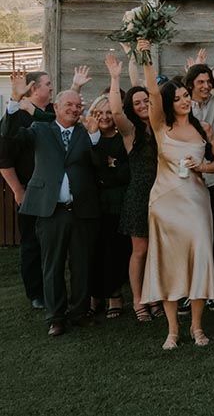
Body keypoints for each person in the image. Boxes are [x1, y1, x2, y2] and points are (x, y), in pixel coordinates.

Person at [138, 41, 214, 350]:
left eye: (186, 96)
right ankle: (173, 330)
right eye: (177, 99)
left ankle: (197, 327)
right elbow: (151, 92)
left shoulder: (204, 128)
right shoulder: (161, 127)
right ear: (169, 104)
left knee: (200, 258)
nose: (184, 101)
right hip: (166, 203)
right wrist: (145, 55)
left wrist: (203, 166)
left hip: (197, 202)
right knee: (169, 263)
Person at [3, 85, 100, 338]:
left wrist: (95, 138)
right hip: (51, 211)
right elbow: (9, 137)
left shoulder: (87, 132)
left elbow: (99, 166)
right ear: (55, 108)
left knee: (81, 264)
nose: (74, 109)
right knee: (52, 265)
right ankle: (56, 317)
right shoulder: (40, 129)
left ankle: (79, 313)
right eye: (69, 104)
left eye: (78, 105)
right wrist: (14, 102)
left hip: (81, 210)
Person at [105, 54, 160, 322]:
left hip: (163, 193)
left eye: (145, 101)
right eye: (136, 103)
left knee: (158, 250)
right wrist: (115, 78)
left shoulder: (162, 126)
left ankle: (155, 296)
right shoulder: (130, 132)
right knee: (140, 250)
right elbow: (116, 112)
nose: (142, 105)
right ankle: (139, 300)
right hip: (139, 194)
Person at [185, 20, 214, 311]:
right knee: (191, 236)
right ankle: (190, 290)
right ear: (190, 85)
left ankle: (211, 289)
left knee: (213, 235)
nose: (206, 86)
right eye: (200, 82)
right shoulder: (181, 107)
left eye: (208, 82)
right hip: (188, 182)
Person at [0, 70, 53, 311]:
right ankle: (36, 293)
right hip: (30, 191)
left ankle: (54, 288)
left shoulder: (49, 111)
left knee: (52, 244)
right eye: (47, 84)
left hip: (55, 192)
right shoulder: (16, 116)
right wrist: (18, 190)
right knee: (32, 244)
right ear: (33, 88)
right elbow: (4, 158)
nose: (51, 87)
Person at [86, 95, 131, 319]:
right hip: (92, 203)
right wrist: (107, 165)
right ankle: (95, 296)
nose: (104, 117)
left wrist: (108, 169)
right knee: (93, 250)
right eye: (99, 113)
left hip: (116, 204)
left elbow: (122, 174)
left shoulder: (122, 138)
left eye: (109, 113)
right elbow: (90, 166)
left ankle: (115, 295)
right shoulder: (87, 138)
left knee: (115, 250)